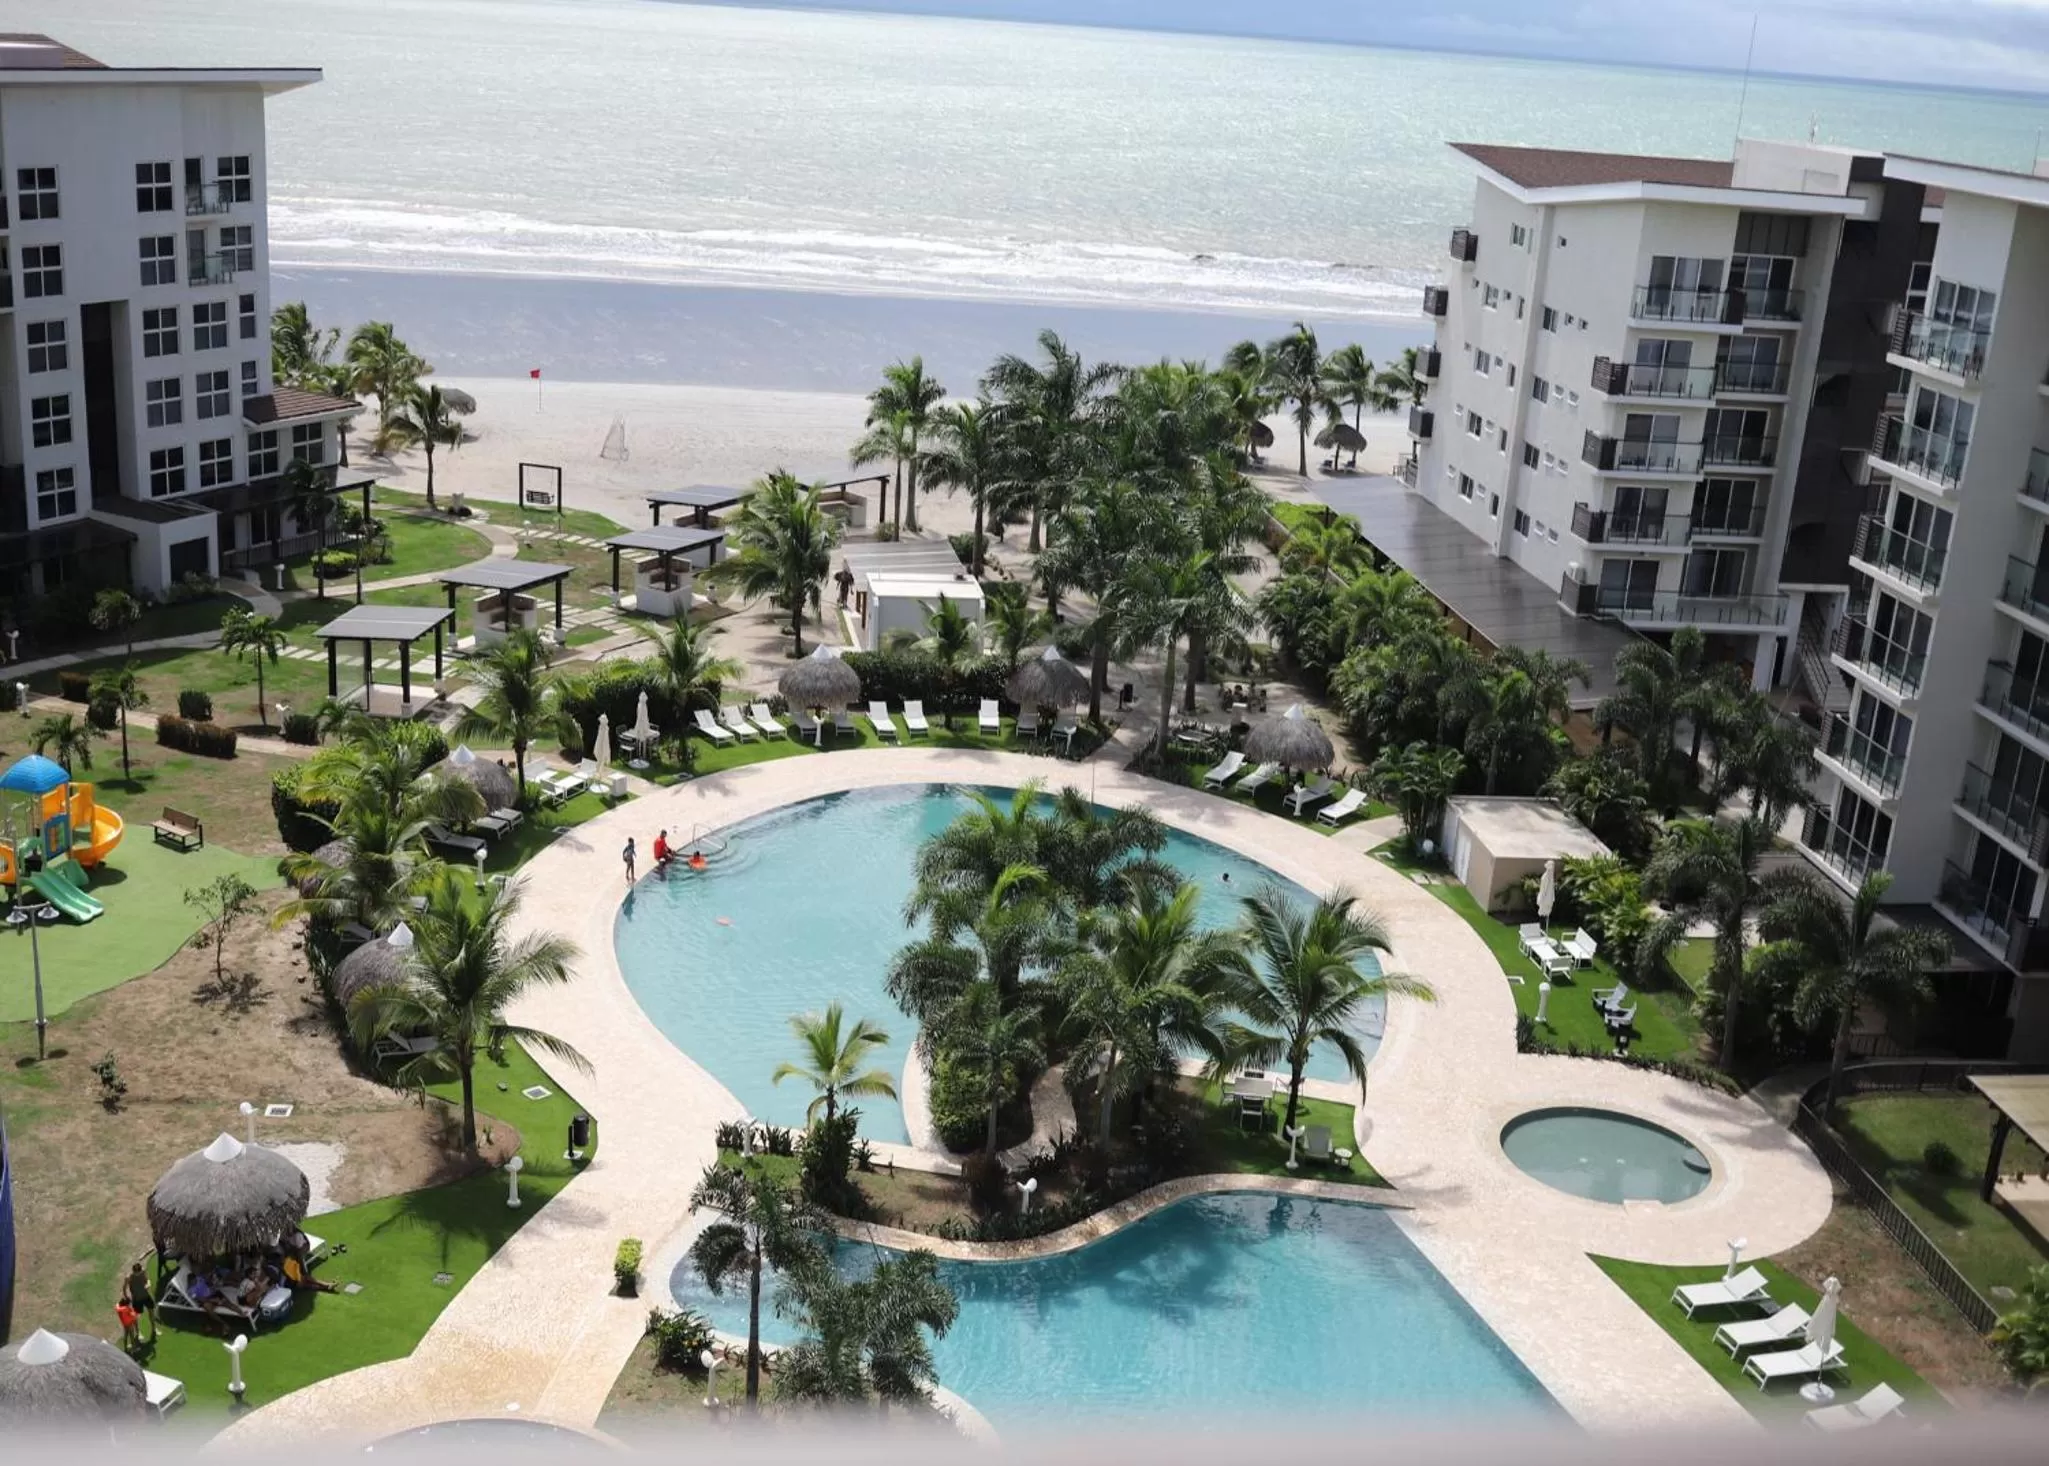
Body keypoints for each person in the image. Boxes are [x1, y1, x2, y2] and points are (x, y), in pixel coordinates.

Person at [124, 1261, 157, 1345]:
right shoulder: (129, 1277)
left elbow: (147, 1280)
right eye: (136, 1273)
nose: (138, 1274)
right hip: (137, 1299)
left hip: (146, 1296)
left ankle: (154, 1329)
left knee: (151, 1312)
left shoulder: (143, 1271)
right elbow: (124, 1288)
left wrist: (148, 1284)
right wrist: (127, 1297)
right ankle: (138, 1333)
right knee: (136, 1317)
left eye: (139, 1272)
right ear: (133, 1271)